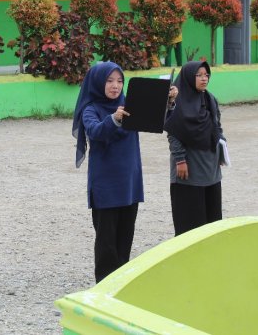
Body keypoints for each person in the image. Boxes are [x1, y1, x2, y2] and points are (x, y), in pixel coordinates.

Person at [72, 62, 177, 283]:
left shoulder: (129, 103)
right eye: (109, 81)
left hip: (129, 181)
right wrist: (114, 119)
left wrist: (168, 102)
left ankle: (121, 284)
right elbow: (96, 131)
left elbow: (156, 122)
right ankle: (104, 285)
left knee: (125, 237)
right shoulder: (91, 109)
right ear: (98, 83)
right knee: (107, 241)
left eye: (120, 81)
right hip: (105, 185)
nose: (115, 86)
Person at [164, 61, 224, 236]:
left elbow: (217, 127)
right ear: (189, 77)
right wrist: (180, 160)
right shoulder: (177, 102)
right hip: (189, 168)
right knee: (190, 224)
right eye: (199, 75)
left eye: (206, 75)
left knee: (212, 222)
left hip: (211, 168)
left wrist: (221, 150)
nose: (204, 79)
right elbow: (173, 132)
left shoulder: (210, 99)